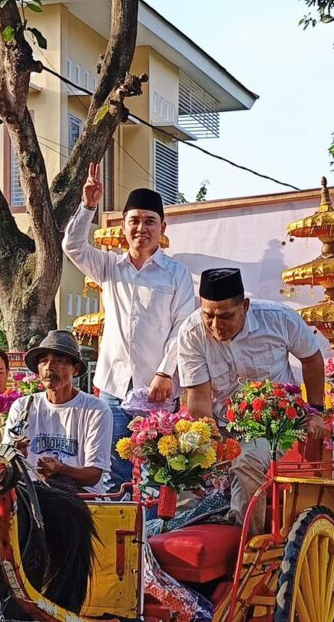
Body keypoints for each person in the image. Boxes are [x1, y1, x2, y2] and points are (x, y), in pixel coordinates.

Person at [63, 163, 196, 491]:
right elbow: (73, 247)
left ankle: (152, 537)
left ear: (162, 226)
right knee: (111, 472)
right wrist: (88, 206)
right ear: (123, 226)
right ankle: (115, 537)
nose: (142, 228)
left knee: (160, 474)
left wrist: (166, 373)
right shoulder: (109, 266)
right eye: (134, 221)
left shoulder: (176, 273)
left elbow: (184, 327)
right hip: (113, 388)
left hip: (158, 390)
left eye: (149, 221)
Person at [177, 267, 328, 529]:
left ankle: (245, 543)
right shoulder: (191, 333)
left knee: (245, 462)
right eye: (208, 316)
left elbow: (312, 359)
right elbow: (199, 399)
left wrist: (315, 411)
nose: (215, 326)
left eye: (225, 316)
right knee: (181, 457)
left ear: (245, 306)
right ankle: (184, 533)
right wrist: (208, 439)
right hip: (221, 423)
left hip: (276, 425)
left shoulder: (278, 318)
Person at [3, 330, 113, 494]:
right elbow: (6, 463)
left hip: (80, 499)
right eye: (43, 361)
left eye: (59, 361)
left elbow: (93, 475)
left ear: (75, 369)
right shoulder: (23, 407)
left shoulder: (95, 410)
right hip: (34, 497)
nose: (49, 367)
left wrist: (62, 469)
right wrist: (15, 454)